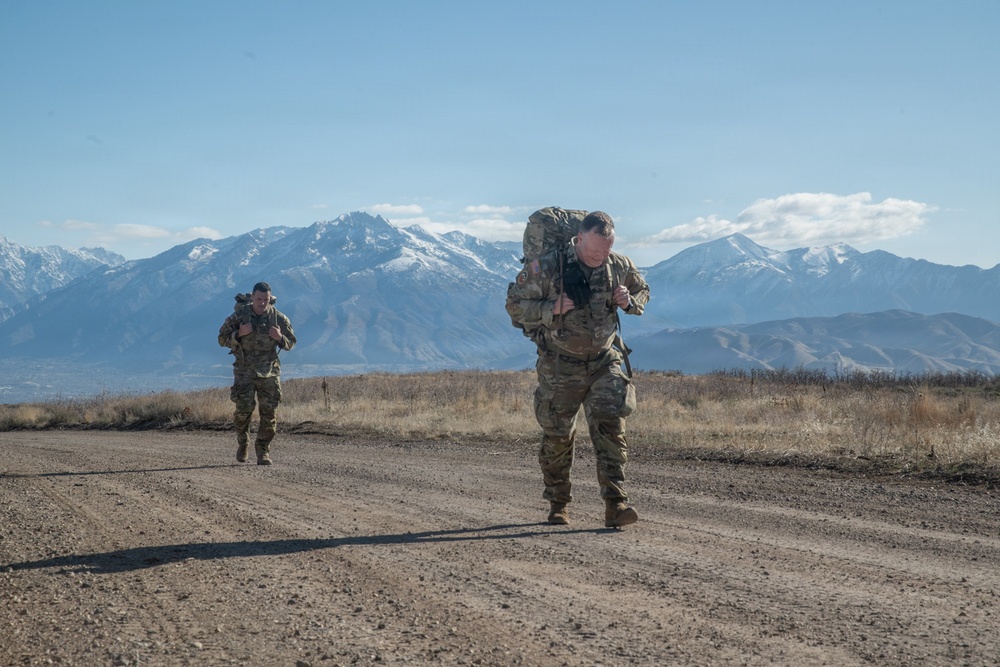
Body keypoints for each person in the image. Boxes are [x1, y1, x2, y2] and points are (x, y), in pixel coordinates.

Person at [506, 211, 650, 528]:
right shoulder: (544, 267)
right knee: (558, 436)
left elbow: (643, 290)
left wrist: (630, 301)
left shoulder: (620, 265)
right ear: (579, 238)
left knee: (611, 429)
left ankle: (616, 505)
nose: (600, 257)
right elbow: (514, 304)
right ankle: (558, 505)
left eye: (606, 251)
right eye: (594, 251)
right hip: (560, 363)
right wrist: (550, 309)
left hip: (604, 361)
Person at [218, 281, 296, 465]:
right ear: (252, 297)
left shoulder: (278, 318)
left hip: (269, 372)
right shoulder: (240, 316)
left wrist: (280, 338)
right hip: (244, 372)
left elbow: (291, 343)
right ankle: (243, 444)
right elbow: (221, 339)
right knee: (243, 412)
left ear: (271, 299)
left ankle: (263, 451)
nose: (262, 303)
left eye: (266, 299)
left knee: (269, 414)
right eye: (259, 299)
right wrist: (238, 334)